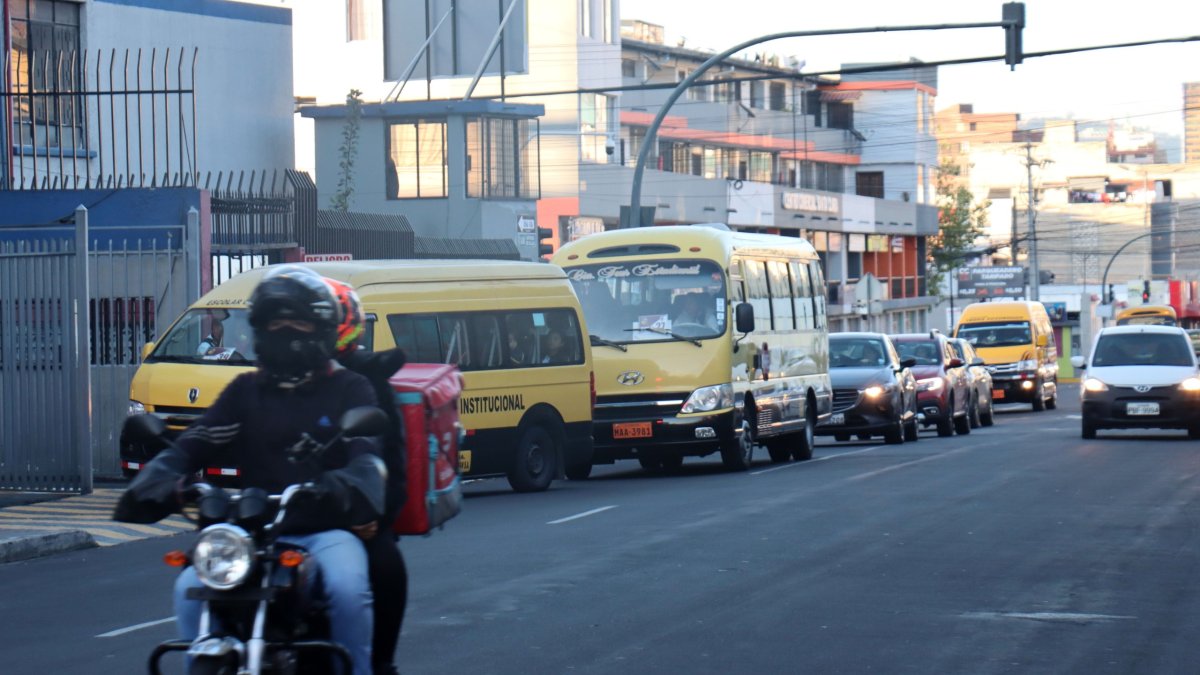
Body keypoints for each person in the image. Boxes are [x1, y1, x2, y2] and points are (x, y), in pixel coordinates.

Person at [116, 265, 385, 675]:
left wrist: (347, 485)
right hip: (250, 532)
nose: (286, 332)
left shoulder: (350, 388)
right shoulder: (244, 391)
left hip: (324, 529)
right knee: (189, 586)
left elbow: (365, 454)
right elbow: (197, 441)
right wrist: (165, 475)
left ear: (322, 331)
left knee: (348, 588)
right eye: (275, 324)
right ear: (260, 331)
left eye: (298, 323)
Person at [325, 277, 410, 675]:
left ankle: (380, 663)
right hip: (285, 511)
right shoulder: (265, 381)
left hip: (354, 509)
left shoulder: (368, 381)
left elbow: (390, 458)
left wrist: (372, 513)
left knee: (386, 566)